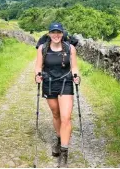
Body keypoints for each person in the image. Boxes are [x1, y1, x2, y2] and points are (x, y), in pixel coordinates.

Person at [35, 22, 80, 168]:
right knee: (56, 114)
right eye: (53, 32)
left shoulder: (70, 48)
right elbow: (38, 66)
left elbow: (74, 67)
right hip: (49, 83)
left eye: (58, 32)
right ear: (49, 34)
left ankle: (64, 153)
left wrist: (76, 76)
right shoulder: (42, 48)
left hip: (65, 82)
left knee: (66, 117)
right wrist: (37, 75)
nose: (56, 35)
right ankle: (59, 139)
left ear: (62, 34)